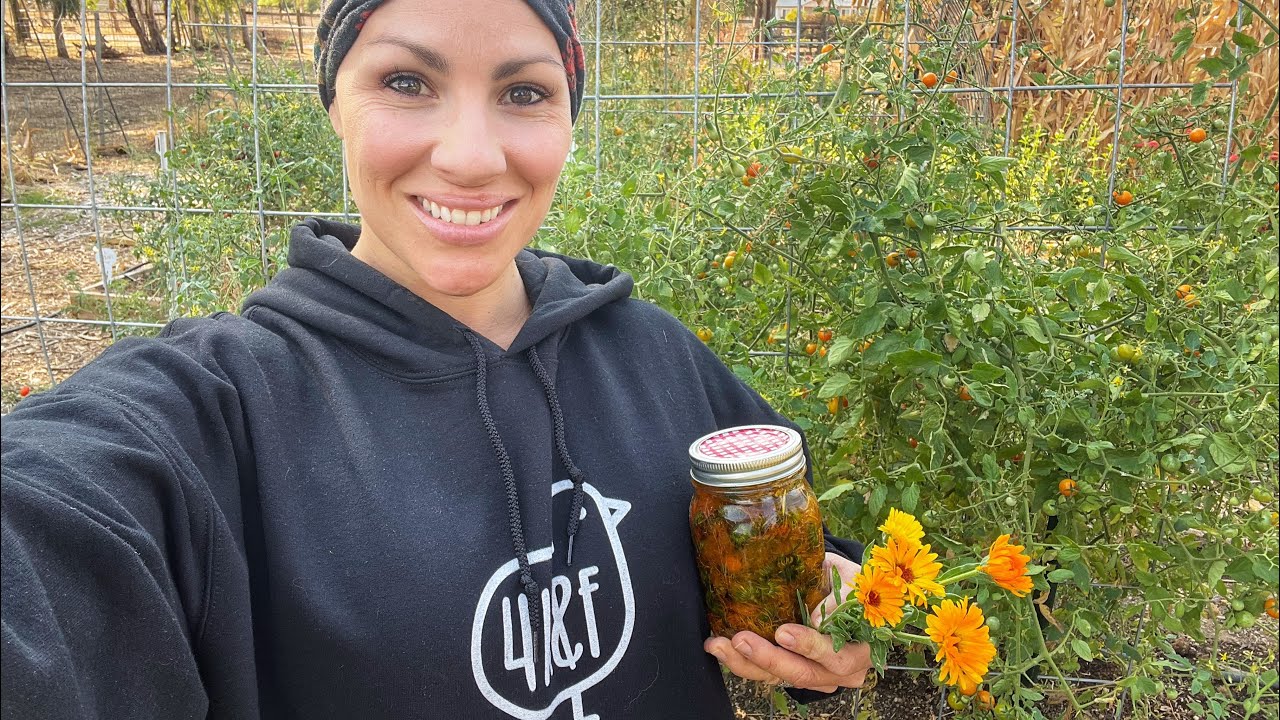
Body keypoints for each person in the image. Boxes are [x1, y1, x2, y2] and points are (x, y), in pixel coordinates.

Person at [0, 0, 871, 717]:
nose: (470, 157)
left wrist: (835, 621)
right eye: (406, 82)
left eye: (524, 93)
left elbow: (801, 556)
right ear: (334, 102)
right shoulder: (217, 408)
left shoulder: (652, 354)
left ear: (569, 117)